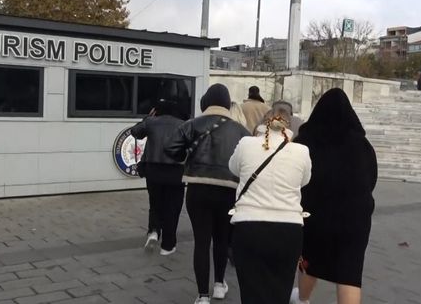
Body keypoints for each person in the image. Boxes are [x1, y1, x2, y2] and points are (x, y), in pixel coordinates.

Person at [165, 83, 250, 304]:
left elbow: (170, 149)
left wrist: (187, 160)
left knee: (201, 242)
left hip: (197, 188)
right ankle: (220, 285)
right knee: (222, 240)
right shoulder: (240, 130)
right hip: (228, 191)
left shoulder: (192, 124)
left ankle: (202, 296)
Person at [291, 88, 378, 304]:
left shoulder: (304, 143)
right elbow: (371, 179)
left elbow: (293, 178)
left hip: (315, 216)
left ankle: (302, 299)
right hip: (355, 218)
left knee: (310, 260)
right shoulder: (362, 145)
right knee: (350, 274)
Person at [228, 106, 312, 304]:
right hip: (288, 229)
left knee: (251, 291)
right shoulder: (301, 151)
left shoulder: (246, 143)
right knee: (280, 291)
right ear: (288, 126)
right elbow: (305, 180)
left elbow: (233, 167)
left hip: (249, 227)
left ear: (262, 123)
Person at [131, 99, 185, 255]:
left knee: (155, 203)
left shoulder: (152, 122)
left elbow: (135, 132)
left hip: (153, 171)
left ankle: (154, 231)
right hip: (176, 172)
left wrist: (147, 118)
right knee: (173, 207)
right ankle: (168, 245)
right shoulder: (184, 124)